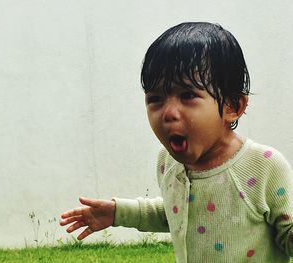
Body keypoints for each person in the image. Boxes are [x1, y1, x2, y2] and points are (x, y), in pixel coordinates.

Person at [60, 22, 293, 262]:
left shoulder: (264, 166)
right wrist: (118, 212)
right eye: (155, 98)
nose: (168, 113)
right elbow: (176, 213)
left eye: (188, 95)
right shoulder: (167, 161)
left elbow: (287, 233)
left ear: (231, 106)